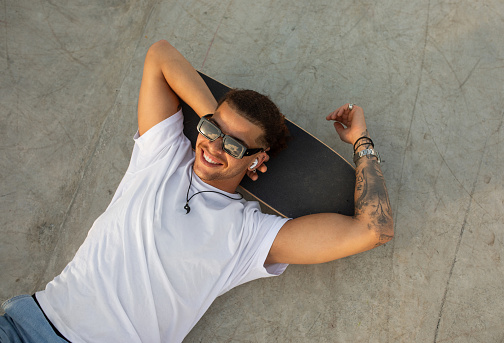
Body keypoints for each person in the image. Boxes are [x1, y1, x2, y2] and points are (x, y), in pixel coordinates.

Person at [0, 40, 393, 343]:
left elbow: (372, 231)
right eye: (212, 130)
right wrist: (211, 117)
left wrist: (361, 142)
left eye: (235, 146)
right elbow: (159, 55)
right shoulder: (163, 153)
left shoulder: (248, 236)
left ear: (258, 160)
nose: (214, 148)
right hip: (25, 322)